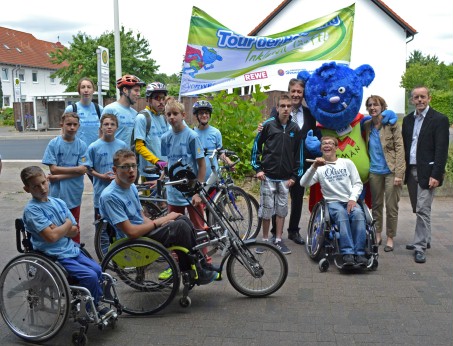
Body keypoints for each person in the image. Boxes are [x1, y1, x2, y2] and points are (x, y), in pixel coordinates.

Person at [99, 149, 218, 284]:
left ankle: (198, 266)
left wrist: (160, 224)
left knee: (181, 219)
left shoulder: (130, 186)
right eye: (125, 167)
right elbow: (131, 232)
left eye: (133, 165)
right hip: (132, 242)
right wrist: (161, 220)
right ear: (115, 170)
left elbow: (141, 216)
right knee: (179, 226)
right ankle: (195, 271)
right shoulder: (110, 196)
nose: (131, 170)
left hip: (143, 232)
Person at [20, 166, 115, 319]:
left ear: (47, 180)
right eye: (35, 186)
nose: (42, 188)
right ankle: (92, 309)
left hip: (69, 249)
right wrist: (65, 225)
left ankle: (91, 302)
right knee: (90, 276)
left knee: (97, 270)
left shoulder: (58, 202)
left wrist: (58, 229)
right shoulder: (32, 210)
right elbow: (51, 237)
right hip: (53, 256)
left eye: (43, 182)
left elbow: (74, 230)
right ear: (27, 189)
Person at [262, 78, 317, 245]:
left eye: (299, 92)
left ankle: (293, 231)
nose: (296, 94)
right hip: (280, 162)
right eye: (293, 91)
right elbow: (269, 127)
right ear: (289, 91)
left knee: (298, 197)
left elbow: (314, 135)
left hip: (301, 162)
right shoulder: (277, 110)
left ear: (303, 94)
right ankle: (274, 232)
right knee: (275, 195)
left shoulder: (309, 114)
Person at [300, 136, 368, 266]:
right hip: (332, 203)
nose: (327, 145)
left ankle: (359, 253)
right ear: (321, 148)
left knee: (359, 214)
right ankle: (347, 253)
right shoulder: (319, 168)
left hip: (349, 200)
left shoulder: (346, 163)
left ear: (336, 148)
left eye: (330, 143)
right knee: (341, 214)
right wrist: (313, 166)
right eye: (324, 143)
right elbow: (303, 183)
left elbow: (358, 183)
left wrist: (353, 199)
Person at [402, 86, 449, 263]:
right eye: (416, 97)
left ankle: (419, 246)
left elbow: (441, 149)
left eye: (423, 97)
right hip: (411, 170)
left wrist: (436, 174)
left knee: (423, 209)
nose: (420, 100)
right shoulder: (407, 120)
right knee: (418, 208)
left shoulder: (439, 119)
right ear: (412, 100)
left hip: (428, 172)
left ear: (429, 98)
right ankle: (425, 239)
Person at [251, 94, 303, 255]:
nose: (286, 109)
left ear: (291, 108)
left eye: (288, 106)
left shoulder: (295, 129)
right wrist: (258, 168)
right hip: (268, 176)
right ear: (277, 107)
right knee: (266, 210)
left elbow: (298, 154)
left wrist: (295, 176)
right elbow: (256, 147)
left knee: (281, 210)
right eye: (283, 106)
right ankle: (266, 240)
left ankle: (279, 240)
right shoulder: (268, 125)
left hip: (285, 179)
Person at [363, 95, 405, 252]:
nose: (373, 107)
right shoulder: (367, 125)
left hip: (391, 171)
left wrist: (399, 173)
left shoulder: (391, 124)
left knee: (391, 206)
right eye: (370, 105)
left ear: (382, 106)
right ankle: (377, 234)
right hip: (374, 172)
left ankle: (390, 238)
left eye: (376, 105)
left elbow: (400, 148)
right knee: (376, 205)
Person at [42, 112, 87, 244]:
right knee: (57, 224)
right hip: (56, 193)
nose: (72, 127)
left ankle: (76, 250)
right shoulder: (54, 144)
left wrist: (59, 176)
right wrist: (77, 169)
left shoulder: (82, 145)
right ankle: (61, 250)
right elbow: (53, 169)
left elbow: (83, 170)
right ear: (62, 124)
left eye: (75, 124)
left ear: (79, 126)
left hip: (74, 193)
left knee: (74, 225)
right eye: (68, 124)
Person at [161, 100, 206, 230]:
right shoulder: (165, 138)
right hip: (174, 192)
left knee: (198, 227)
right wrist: (161, 177)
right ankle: (179, 251)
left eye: (175, 113)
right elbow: (169, 161)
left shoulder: (192, 136)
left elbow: (202, 165)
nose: (172, 117)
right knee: (175, 229)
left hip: (192, 191)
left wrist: (198, 191)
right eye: (168, 114)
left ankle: (202, 250)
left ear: (183, 115)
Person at [84, 114, 128, 220]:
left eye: (112, 124)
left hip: (120, 193)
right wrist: (101, 176)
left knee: (119, 227)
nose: (109, 127)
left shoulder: (122, 145)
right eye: (106, 124)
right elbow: (88, 168)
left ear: (117, 127)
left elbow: (128, 166)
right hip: (101, 193)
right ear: (101, 127)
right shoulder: (93, 147)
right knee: (102, 230)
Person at [133, 82, 169, 182]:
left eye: (163, 98)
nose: (161, 101)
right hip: (150, 172)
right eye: (157, 98)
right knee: (151, 198)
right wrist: (156, 161)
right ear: (148, 99)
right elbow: (139, 146)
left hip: (165, 171)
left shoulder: (164, 117)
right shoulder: (142, 117)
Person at [192, 100, 234, 181]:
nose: (204, 115)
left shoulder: (216, 132)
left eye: (206, 113)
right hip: (197, 176)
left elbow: (221, 152)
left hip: (213, 176)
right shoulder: (192, 134)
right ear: (196, 115)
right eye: (201, 113)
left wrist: (229, 162)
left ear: (210, 115)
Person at [101, 74, 145, 145]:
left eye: (139, 91)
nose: (139, 94)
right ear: (125, 90)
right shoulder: (110, 109)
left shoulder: (135, 113)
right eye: (136, 90)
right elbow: (101, 134)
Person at [65, 77, 103, 148]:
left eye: (89, 87)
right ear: (79, 91)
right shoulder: (71, 109)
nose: (86, 90)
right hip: (77, 150)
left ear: (93, 90)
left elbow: (103, 131)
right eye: (83, 87)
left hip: (95, 151)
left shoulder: (99, 109)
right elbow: (64, 132)